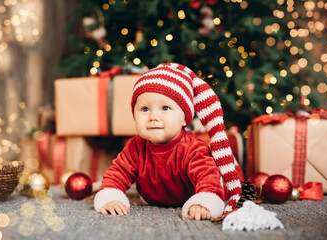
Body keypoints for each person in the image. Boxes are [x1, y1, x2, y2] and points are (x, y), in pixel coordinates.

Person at [94, 63, 242, 220]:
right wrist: (110, 196)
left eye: (165, 108)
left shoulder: (193, 148)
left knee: (224, 177)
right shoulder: (135, 147)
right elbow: (118, 172)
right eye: (145, 109)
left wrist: (205, 201)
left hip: (212, 182)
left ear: (185, 118)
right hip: (159, 194)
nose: (153, 117)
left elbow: (207, 177)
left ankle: (233, 168)